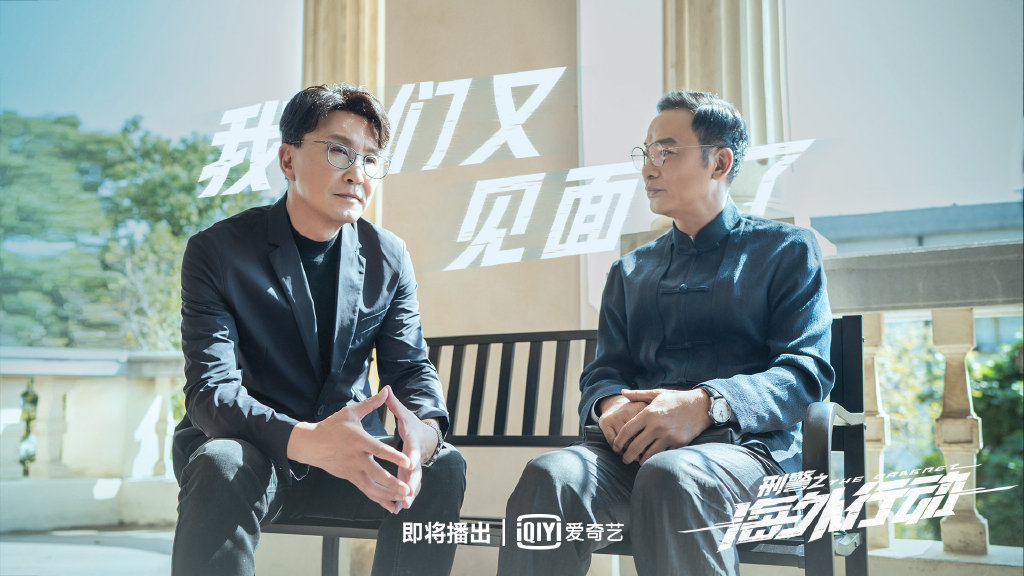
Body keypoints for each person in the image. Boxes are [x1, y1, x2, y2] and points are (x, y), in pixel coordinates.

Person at [497, 90, 834, 576]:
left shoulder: (786, 251)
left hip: (751, 454)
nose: (648, 169)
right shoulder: (630, 271)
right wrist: (609, 404)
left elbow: (805, 374)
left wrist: (707, 404)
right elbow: (604, 372)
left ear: (720, 162)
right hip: (634, 455)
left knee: (674, 475)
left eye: (666, 152)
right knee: (551, 476)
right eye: (646, 153)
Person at [172, 83, 466, 576]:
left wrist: (425, 430)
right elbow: (211, 392)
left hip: (352, 464)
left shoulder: (388, 256)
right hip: (256, 452)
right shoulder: (218, 252)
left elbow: (411, 367)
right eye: (339, 151)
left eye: (370, 159)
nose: (357, 173)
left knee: (443, 466)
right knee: (221, 460)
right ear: (288, 160)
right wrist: (307, 440)